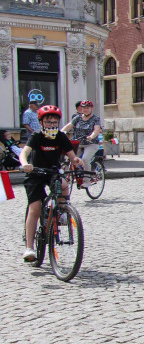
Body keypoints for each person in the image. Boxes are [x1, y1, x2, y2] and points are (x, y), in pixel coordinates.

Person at [18, 105, 82, 262]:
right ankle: (29, 248)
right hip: (35, 173)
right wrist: (25, 164)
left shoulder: (61, 137)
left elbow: (71, 155)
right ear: (41, 122)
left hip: (52, 172)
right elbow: (24, 153)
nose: (51, 124)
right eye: (48, 122)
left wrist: (76, 160)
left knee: (64, 184)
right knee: (35, 209)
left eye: (54, 122)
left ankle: (62, 211)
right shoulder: (37, 136)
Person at [61, 99, 103, 171]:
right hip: (78, 143)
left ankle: (87, 177)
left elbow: (96, 130)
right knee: (72, 158)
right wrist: (60, 133)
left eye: (87, 108)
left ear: (91, 109)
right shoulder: (78, 117)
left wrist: (91, 136)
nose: (85, 109)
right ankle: (77, 173)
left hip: (91, 143)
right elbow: (69, 126)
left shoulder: (95, 118)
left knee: (85, 159)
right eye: (83, 108)